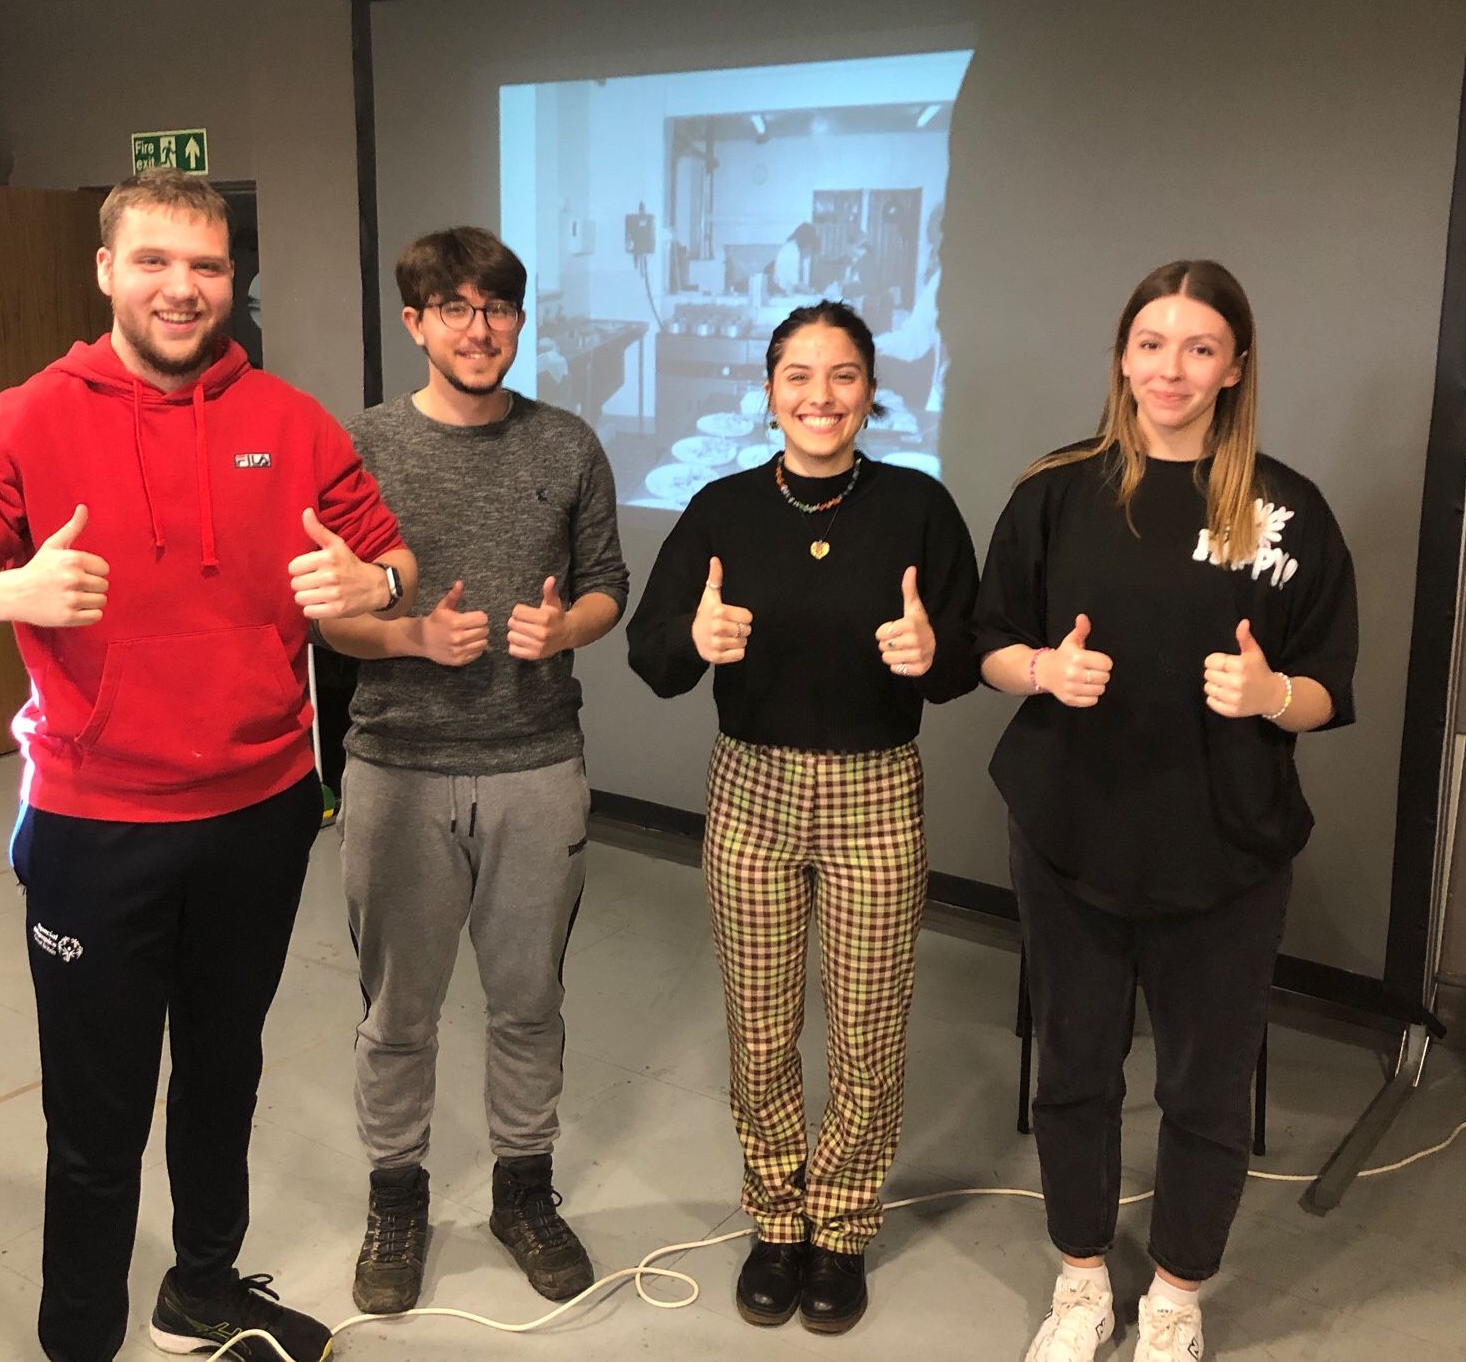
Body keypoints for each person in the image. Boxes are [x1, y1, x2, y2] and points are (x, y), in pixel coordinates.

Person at [0, 169, 417, 1362]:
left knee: (224, 1076)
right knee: (97, 1116)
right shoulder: (27, 419)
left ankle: (203, 1295)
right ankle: (80, 1339)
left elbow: (390, 559)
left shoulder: (288, 420)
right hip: (95, 828)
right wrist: (9, 590)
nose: (184, 288)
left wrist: (369, 586)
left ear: (233, 280)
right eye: (157, 261)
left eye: (208, 266)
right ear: (108, 271)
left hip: (262, 812)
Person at [974, 260, 1357, 1362]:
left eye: (1198, 347)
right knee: (1076, 1066)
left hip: (1225, 845)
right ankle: (1081, 1279)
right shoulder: (1055, 489)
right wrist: (1041, 670)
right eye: (1150, 342)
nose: (1170, 368)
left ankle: (1178, 1291)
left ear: (1234, 366)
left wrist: (1273, 695)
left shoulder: (1286, 510)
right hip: (1069, 829)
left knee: (1203, 1082)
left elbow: (1331, 678)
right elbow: (986, 644)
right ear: (1120, 356)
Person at [626, 300, 979, 1335]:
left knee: (868, 1032)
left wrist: (935, 657)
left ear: (871, 390)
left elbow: (969, 650)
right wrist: (694, 635)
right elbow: (651, 656)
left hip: (875, 788)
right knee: (759, 1027)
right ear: (768, 391)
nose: (818, 397)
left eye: (840, 376)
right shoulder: (720, 508)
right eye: (796, 376)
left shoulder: (918, 506)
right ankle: (775, 1217)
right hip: (752, 786)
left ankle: (842, 1227)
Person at [318, 227, 628, 1317]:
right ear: (414, 324)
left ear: (518, 318)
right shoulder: (356, 449)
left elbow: (605, 586)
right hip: (396, 768)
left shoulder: (567, 445)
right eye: (451, 307)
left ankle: (521, 1189)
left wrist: (563, 630)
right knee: (395, 1009)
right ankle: (395, 1195)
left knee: (525, 1003)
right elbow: (336, 619)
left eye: (494, 307)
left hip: (537, 764)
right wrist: (408, 640)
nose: (476, 327)